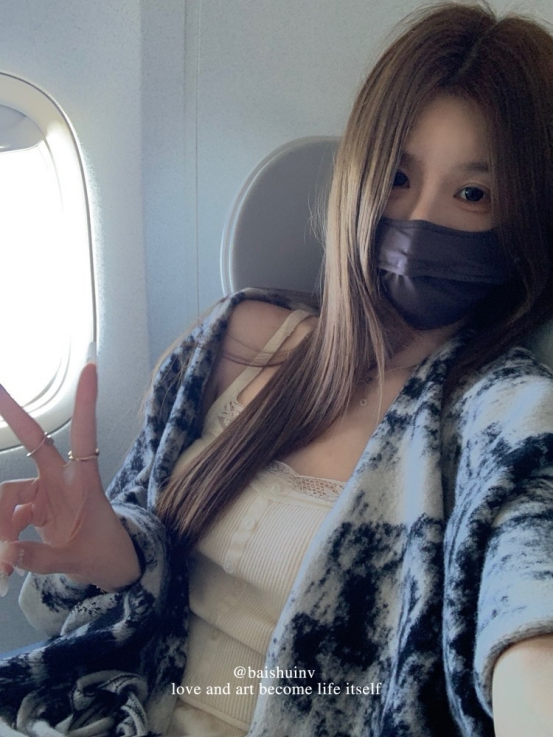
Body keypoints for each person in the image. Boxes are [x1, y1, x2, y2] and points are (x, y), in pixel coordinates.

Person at [1, 1, 553, 736]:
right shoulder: (230, 341)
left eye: (472, 194)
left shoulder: (506, 414)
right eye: (396, 176)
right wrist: (114, 555)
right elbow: (127, 561)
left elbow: (528, 605)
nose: (419, 221)